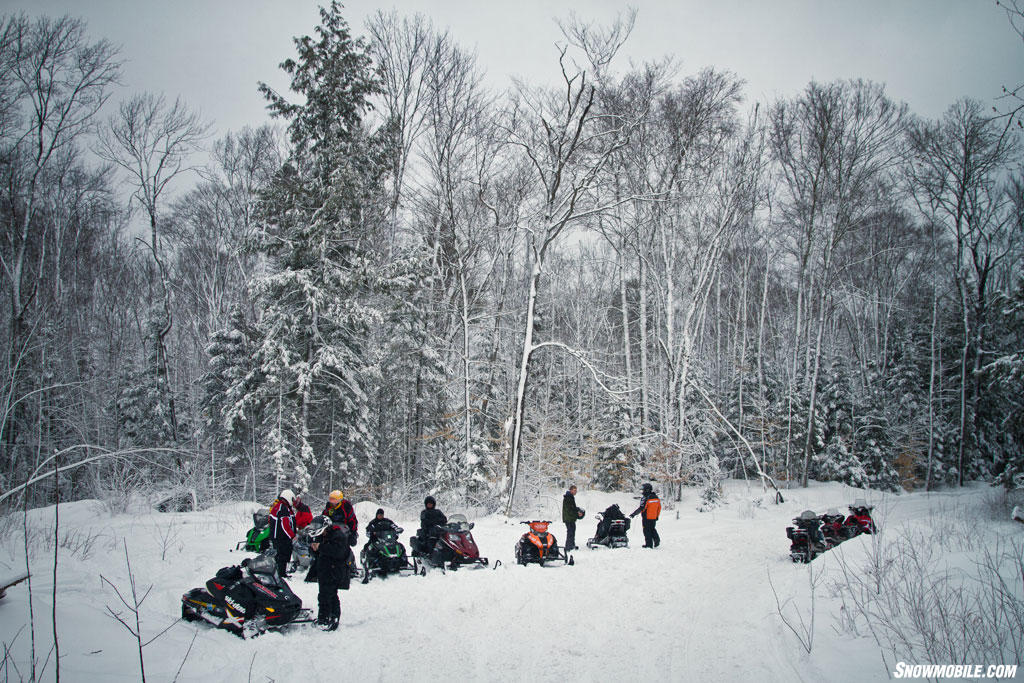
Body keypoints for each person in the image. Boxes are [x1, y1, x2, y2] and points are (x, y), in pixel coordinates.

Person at [307, 515, 350, 631]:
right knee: (327, 594)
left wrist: (321, 547)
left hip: (334, 570)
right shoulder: (321, 536)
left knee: (326, 595)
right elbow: (316, 552)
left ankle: (326, 618)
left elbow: (337, 551)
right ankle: (329, 617)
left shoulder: (338, 535)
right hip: (324, 569)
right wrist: (314, 548)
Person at [268, 489, 296, 576]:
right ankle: (281, 573)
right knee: (283, 555)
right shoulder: (283, 509)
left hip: (278, 537)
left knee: (280, 555)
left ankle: (279, 571)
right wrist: (292, 536)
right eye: (292, 499)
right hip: (282, 538)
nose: (293, 502)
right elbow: (285, 525)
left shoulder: (279, 506)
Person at [629, 483, 661, 548]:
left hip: (646, 517)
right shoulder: (656, 497)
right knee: (652, 529)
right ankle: (657, 540)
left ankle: (649, 545)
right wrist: (657, 516)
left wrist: (633, 514)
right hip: (654, 517)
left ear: (646, 490)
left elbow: (642, 508)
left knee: (646, 531)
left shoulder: (645, 498)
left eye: (643, 490)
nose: (642, 491)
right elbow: (659, 508)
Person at [562, 485, 581, 551]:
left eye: (576, 490)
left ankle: (572, 545)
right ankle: (568, 547)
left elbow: (573, 508)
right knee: (570, 532)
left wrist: (577, 510)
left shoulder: (570, 497)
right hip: (568, 518)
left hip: (571, 518)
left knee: (572, 531)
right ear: (571, 490)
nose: (576, 492)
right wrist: (577, 513)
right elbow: (570, 509)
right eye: (574, 490)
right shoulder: (568, 497)